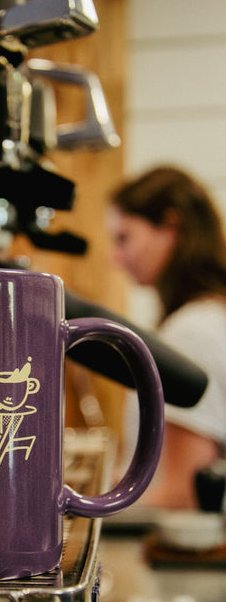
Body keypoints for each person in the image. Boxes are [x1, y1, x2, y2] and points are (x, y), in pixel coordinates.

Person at [107, 165, 226, 509]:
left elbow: (182, 494)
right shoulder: (205, 316)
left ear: (171, 226)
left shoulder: (191, 332)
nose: (115, 257)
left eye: (124, 237)